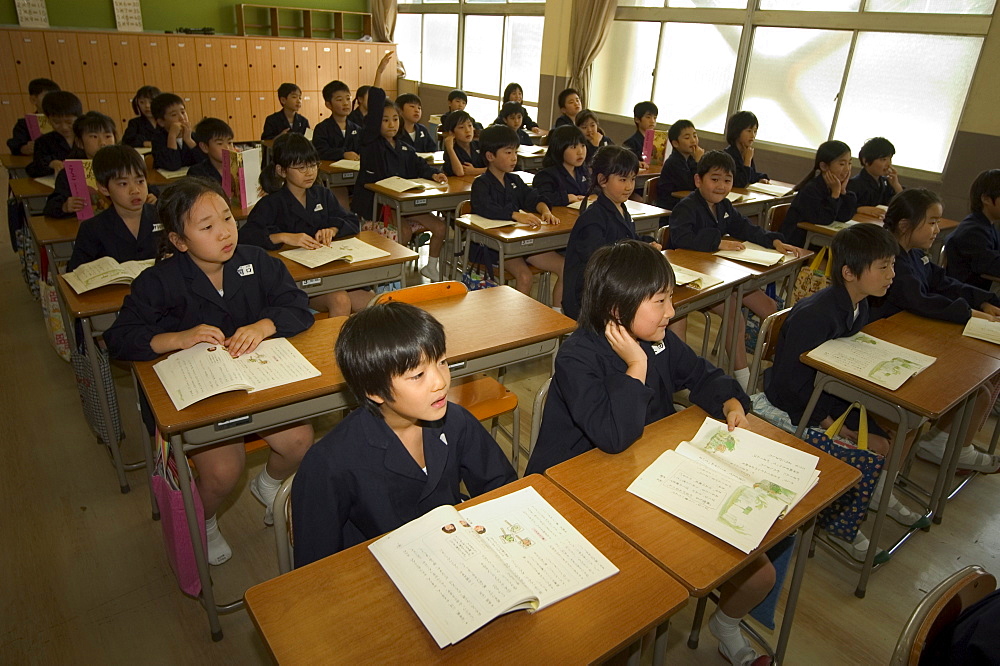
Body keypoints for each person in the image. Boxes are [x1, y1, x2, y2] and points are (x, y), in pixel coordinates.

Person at [524, 240, 770, 666]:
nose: (672, 312)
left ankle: (725, 625)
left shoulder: (659, 341)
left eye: (670, 297)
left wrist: (731, 401)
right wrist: (635, 366)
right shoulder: (578, 357)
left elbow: (702, 374)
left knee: (760, 572)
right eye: (660, 301)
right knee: (630, 609)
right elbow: (614, 436)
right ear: (618, 310)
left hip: (645, 477)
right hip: (576, 494)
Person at [105, 178, 315, 565]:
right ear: (179, 241)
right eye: (207, 227)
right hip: (203, 397)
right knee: (223, 471)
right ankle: (206, 520)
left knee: (300, 441)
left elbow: (298, 306)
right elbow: (119, 338)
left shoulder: (256, 260)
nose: (225, 232)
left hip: (257, 385)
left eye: (227, 218)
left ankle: (266, 485)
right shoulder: (159, 281)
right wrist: (177, 338)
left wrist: (264, 325)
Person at [291, 302, 516, 566]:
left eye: (442, 362)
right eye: (418, 374)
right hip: (380, 571)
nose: (441, 381)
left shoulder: (455, 420)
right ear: (374, 391)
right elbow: (316, 567)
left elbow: (502, 487)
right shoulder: (330, 463)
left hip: (452, 556)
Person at [759, 224, 920, 560]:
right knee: (878, 444)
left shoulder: (860, 304)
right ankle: (844, 518)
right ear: (849, 272)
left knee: (905, 424)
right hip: (798, 401)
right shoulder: (816, 315)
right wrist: (836, 422)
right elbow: (790, 384)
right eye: (884, 267)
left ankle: (872, 490)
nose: (893, 274)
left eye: (892, 264)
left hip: (833, 392)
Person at [873, 188, 1000, 474]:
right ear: (905, 226)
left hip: (913, 337)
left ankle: (945, 443)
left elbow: (943, 282)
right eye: (931, 222)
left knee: (979, 384)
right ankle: (937, 446)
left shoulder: (916, 255)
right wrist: (970, 313)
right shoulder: (891, 258)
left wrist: (982, 299)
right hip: (891, 344)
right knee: (970, 384)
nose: (937, 229)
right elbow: (920, 301)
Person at [667, 150, 804, 389]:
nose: (721, 186)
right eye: (715, 179)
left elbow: (745, 228)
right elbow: (680, 238)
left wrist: (773, 241)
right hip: (693, 281)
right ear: (699, 180)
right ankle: (743, 379)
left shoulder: (724, 206)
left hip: (719, 275)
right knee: (735, 314)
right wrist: (717, 241)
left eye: (727, 180)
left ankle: (779, 366)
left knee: (770, 307)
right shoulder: (686, 207)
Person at [240, 133, 367, 316]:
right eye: (301, 167)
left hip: (327, 271)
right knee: (340, 300)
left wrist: (332, 229)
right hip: (293, 282)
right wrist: (283, 237)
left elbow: (352, 220)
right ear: (281, 170)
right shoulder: (272, 203)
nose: (309, 172)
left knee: (375, 302)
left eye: (313, 165)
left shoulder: (322, 194)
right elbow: (245, 237)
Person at [352, 53, 449, 282]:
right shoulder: (370, 144)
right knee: (404, 231)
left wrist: (435, 174)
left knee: (440, 226)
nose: (391, 124)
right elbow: (374, 110)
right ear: (376, 123)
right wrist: (379, 74)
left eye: (395, 119)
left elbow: (419, 165)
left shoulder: (404, 146)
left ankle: (431, 266)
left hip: (404, 203)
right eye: (385, 120)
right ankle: (395, 274)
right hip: (379, 206)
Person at [470, 125, 565, 307]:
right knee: (524, 276)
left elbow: (533, 198)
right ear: (490, 156)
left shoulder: (514, 180)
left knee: (565, 266)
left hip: (521, 244)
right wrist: (515, 215)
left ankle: (558, 313)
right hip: (495, 247)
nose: (514, 157)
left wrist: (545, 210)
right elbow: (486, 208)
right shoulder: (481, 183)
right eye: (508, 152)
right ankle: (516, 325)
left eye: (515, 151)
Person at [562, 146, 658, 320]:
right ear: (602, 180)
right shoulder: (593, 218)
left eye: (632, 179)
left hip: (613, 286)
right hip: (589, 297)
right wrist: (636, 253)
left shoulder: (621, 208)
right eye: (622, 180)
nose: (629, 186)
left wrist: (647, 244)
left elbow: (628, 240)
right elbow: (599, 262)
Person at [67, 144, 162, 271]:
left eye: (140, 181)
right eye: (123, 184)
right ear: (104, 188)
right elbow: (76, 272)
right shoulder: (92, 229)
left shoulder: (164, 217)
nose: (135, 190)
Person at [780, 140, 857, 247]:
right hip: (796, 242)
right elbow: (824, 219)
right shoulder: (811, 189)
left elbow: (844, 216)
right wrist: (835, 194)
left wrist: (843, 191)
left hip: (814, 242)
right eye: (842, 164)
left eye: (849, 163)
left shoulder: (835, 186)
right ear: (824, 166)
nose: (847, 169)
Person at [43, 111, 120, 218]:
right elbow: (50, 207)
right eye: (94, 136)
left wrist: (150, 196)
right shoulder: (70, 172)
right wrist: (65, 206)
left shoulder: (124, 167)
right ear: (79, 142)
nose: (102, 142)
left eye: (107, 136)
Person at [946, 169, 1000, 291]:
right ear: (986, 199)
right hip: (965, 296)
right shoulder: (973, 231)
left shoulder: (987, 225)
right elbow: (992, 265)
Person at [26, 90, 82, 178]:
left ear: (79, 118)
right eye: (56, 122)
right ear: (48, 119)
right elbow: (34, 169)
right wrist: (50, 164)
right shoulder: (43, 142)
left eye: (69, 122)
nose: (64, 127)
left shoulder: (86, 137)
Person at [533, 125, 590, 208]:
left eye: (583, 145)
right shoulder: (546, 176)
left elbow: (595, 188)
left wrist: (593, 195)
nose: (580, 152)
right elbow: (542, 198)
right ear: (560, 148)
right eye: (573, 147)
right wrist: (566, 198)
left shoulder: (583, 170)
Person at [656, 119, 705, 210]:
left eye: (695, 136)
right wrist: (698, 162)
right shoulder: (673, 162)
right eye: (687, 138)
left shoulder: (690, 159)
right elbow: (691, 185)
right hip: (672, 207)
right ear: (675, 143)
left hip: (686, 203)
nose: (693, 141)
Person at [848, 136, 904, 216]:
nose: (888, 164)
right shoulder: (854, 184)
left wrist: (896, 185)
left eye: (890, 159)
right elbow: (845, 207)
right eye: (883, 160)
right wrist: (859, 209)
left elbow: (902, 204)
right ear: (866, 161)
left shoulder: (885, 182)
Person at [149, 92, 204, 171]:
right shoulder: (158, 139)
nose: (182, 118)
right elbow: (173, 165)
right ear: (161, 122)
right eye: (174, 115)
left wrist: (188, 140)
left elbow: (204, 162)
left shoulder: (194, 136)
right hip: (168, 182)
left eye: (183, 112)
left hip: (192, 180)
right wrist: (172, 136)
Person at [7, 77, 59, 156]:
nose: (51, 100)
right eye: (46, 96)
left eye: (55, 97)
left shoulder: (65, 121)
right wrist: (24, 148)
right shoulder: (24, 124)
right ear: (33, 99)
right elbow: (16, 144)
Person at [313, 80, 360, 162]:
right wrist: (342, 154)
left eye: (348, 98)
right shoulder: (322, 128)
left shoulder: (357, 128)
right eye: (339, 100)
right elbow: (320, 152)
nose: (345, 103)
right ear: (328, 105)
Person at [724, 110, 769, 189]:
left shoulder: (745, 151)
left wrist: (761, 178)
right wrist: (747, 160)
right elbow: (740, 183)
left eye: (755, 131)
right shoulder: (727, 156)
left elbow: (751, 176)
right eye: (749, 131)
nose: (753, 135)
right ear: (737, 132)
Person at [187, 117, 234, 183]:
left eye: (230, 143)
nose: (227, 148)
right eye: (220, 143)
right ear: (204, 147)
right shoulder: (197, 173)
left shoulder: (239, 167)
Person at [440, 110, 484, 178]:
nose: (467, 130)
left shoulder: (480, 145)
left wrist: (475, 171)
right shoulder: (451, 150)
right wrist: (450, 148)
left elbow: (496, 168)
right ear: (452, 132)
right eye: (461, 127)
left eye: (470, 125)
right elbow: (459, 172)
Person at [622, 100, 657, 166]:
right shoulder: (631, 143)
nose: (652, 121)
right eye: (648, 117)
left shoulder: (657, 141)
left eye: (655, 118)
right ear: (637, 119)